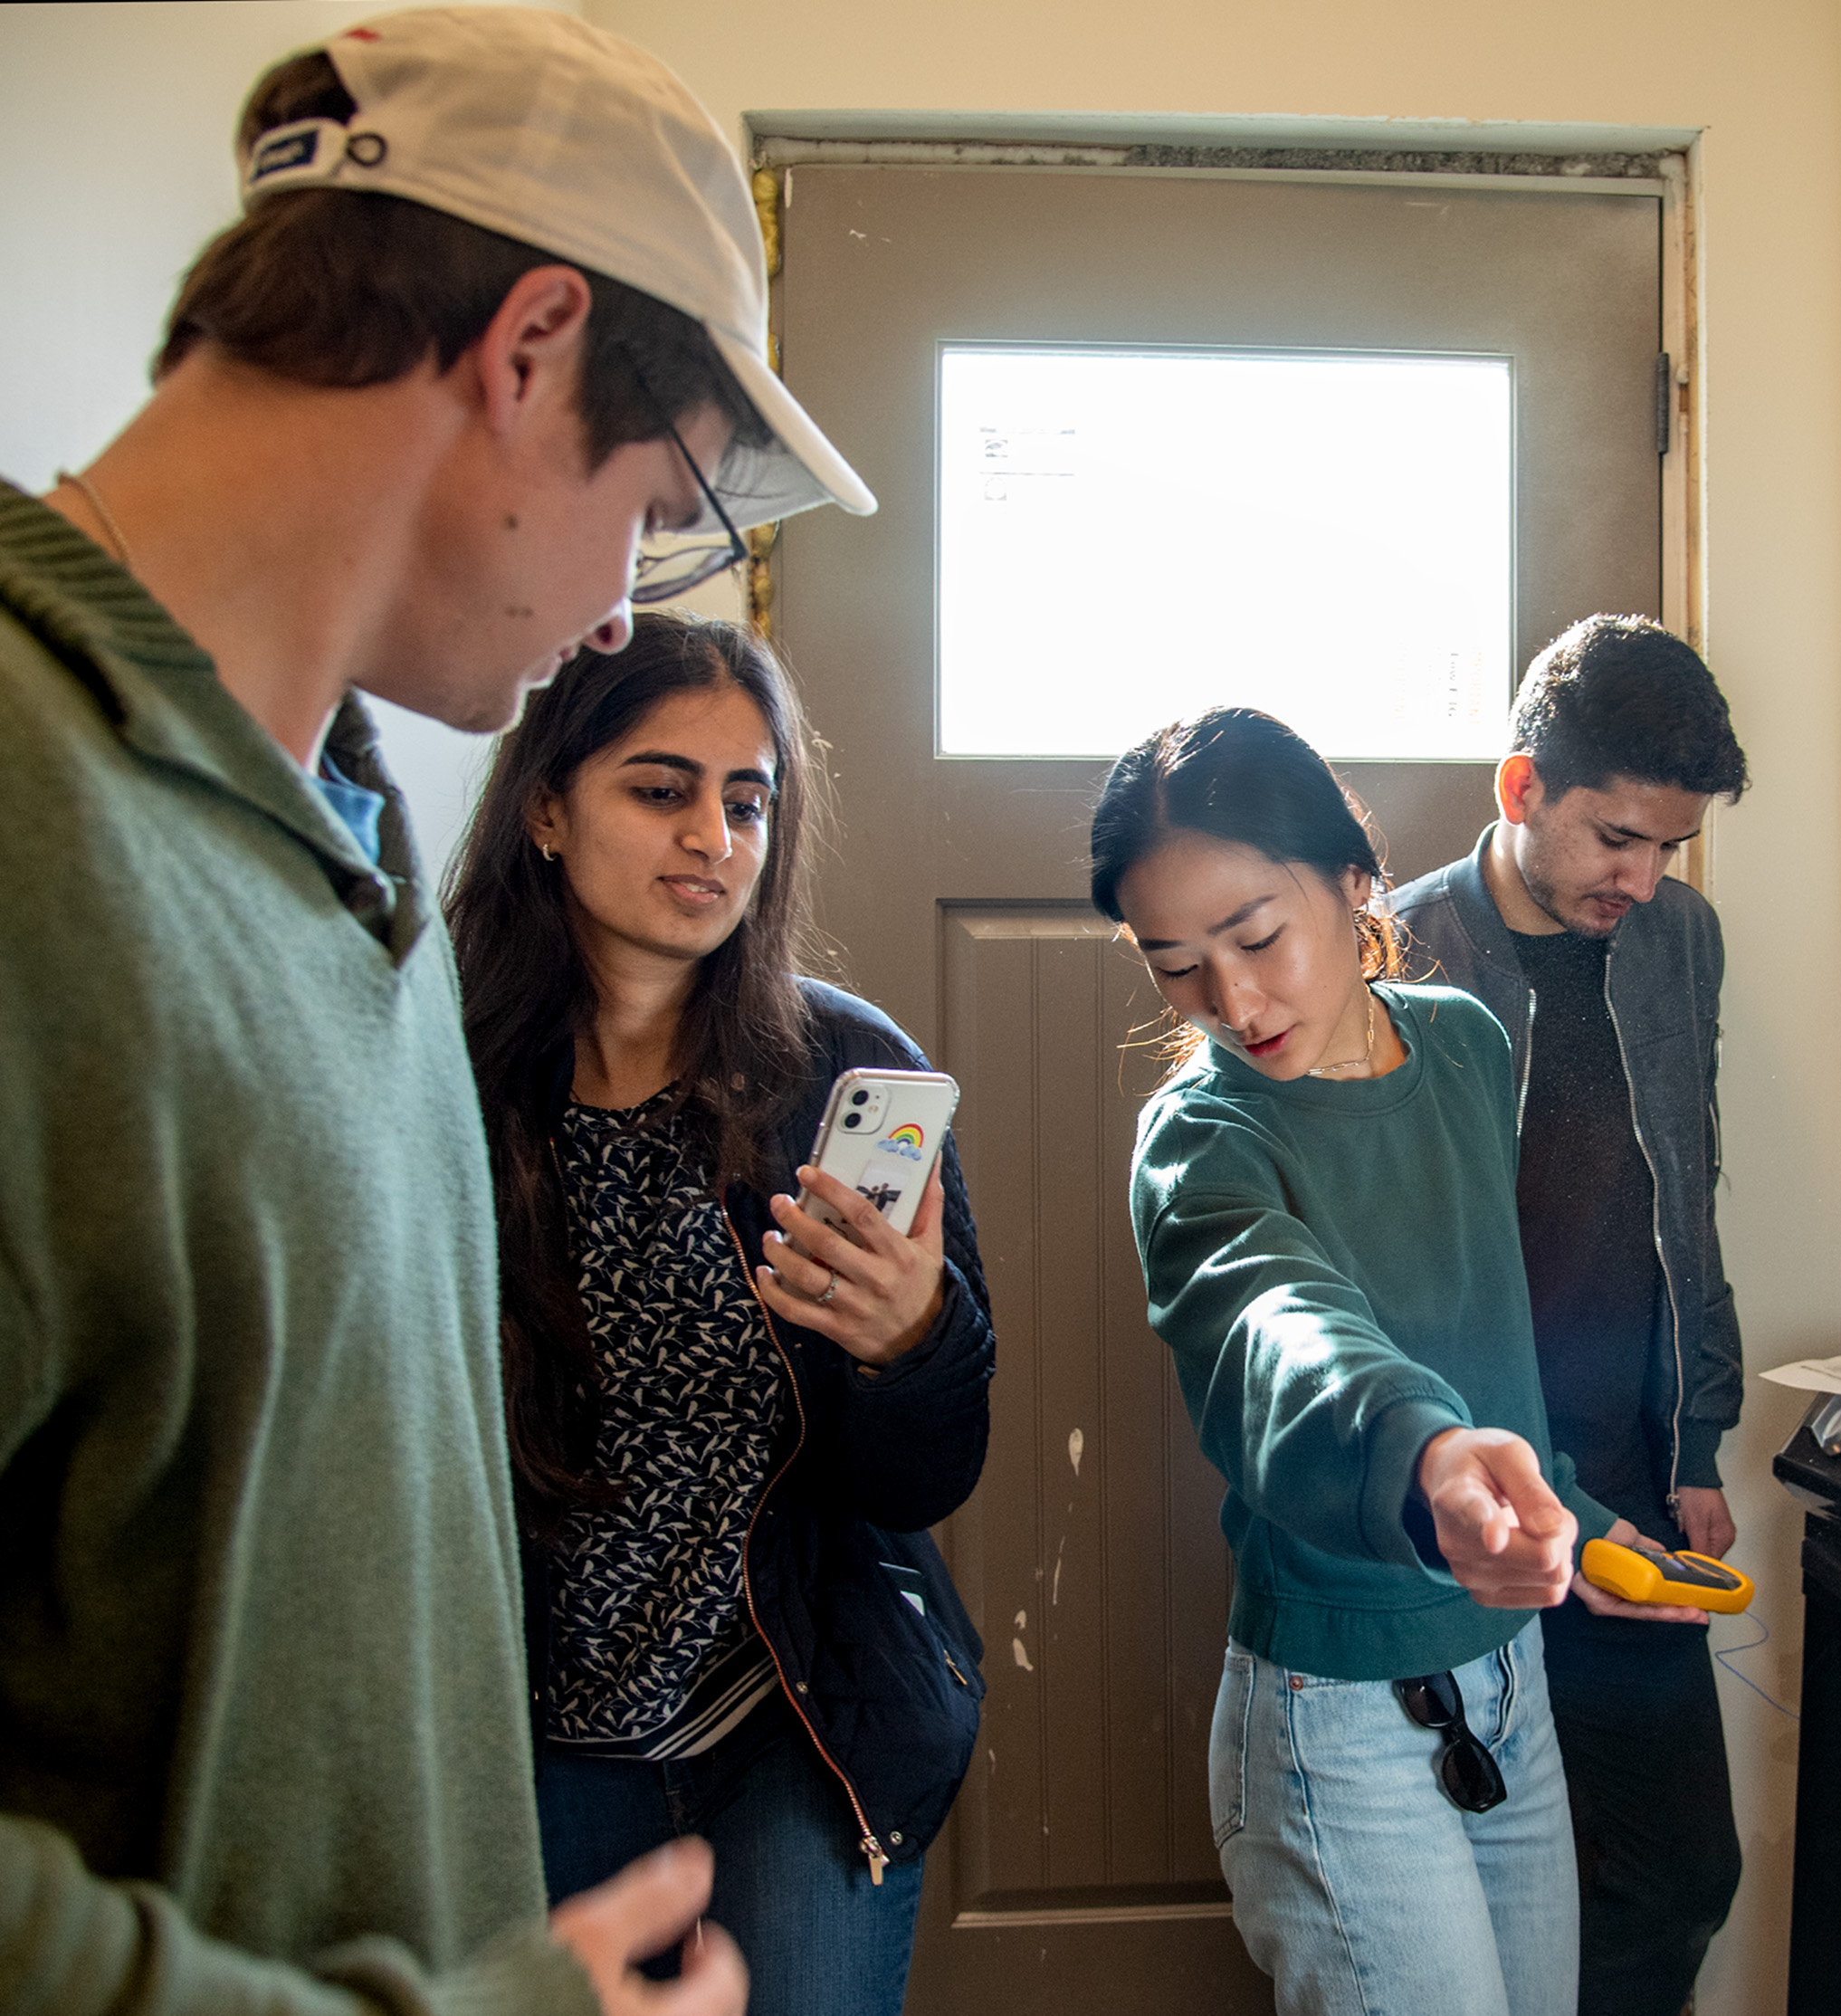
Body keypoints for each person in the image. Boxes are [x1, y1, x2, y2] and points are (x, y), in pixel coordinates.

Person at [0, 10, 878, 2013]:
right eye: (655, 506)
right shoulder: (37, 817)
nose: (621, 608)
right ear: (529, 346)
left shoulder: (351, 854)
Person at [1091, 707, 1703, 2016]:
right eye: (1176, 967)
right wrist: (1425, 1460)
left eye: (1257, 937)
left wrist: (1575, 1519)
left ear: (1354, 879)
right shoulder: (1202, 1139)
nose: (1232, 1003)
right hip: (1336, 1719)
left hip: (1510, 1673)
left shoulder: (1465, 1046)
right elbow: (1281, 1326)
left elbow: (1480, 1334)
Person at [442, 612, 992, 2015]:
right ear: (547, 809)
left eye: (748, 801)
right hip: (526, 1732)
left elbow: (928, 1478)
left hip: (798, 1718)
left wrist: (911, 1345)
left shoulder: (845, 1073)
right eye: (661, 789)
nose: (714, 838)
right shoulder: (436, 1068)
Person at [1391, 615, 1750, 2016]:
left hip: (1633, 1490)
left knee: (1679, 1873)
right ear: (1520, 787)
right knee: (1474, 1888)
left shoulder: (1682, 939)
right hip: (1464, 1489)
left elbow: (1689, 1191)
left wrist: (1696, 1440)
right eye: (1616, 838)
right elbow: (1376, 1267)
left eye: (1672, 848)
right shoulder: (1399, 947)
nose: (1642, 881)